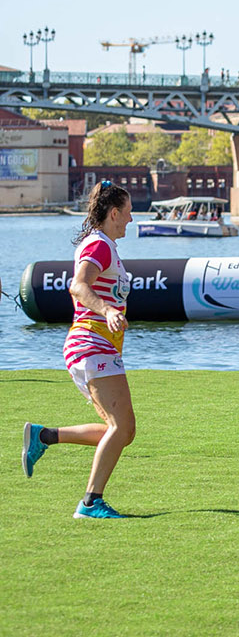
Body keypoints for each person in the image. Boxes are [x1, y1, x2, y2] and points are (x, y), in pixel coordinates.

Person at [20, 181, 139, 519]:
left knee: (121, 431)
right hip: (91, 343)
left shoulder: (107, 246)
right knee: (122, 428)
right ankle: (90, 502)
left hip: (99, 346)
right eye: (128, 213)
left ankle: (44, 436)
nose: (131, 219)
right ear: (113, 213)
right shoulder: (99, 246)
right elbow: (78, 285)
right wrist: (108, 310)